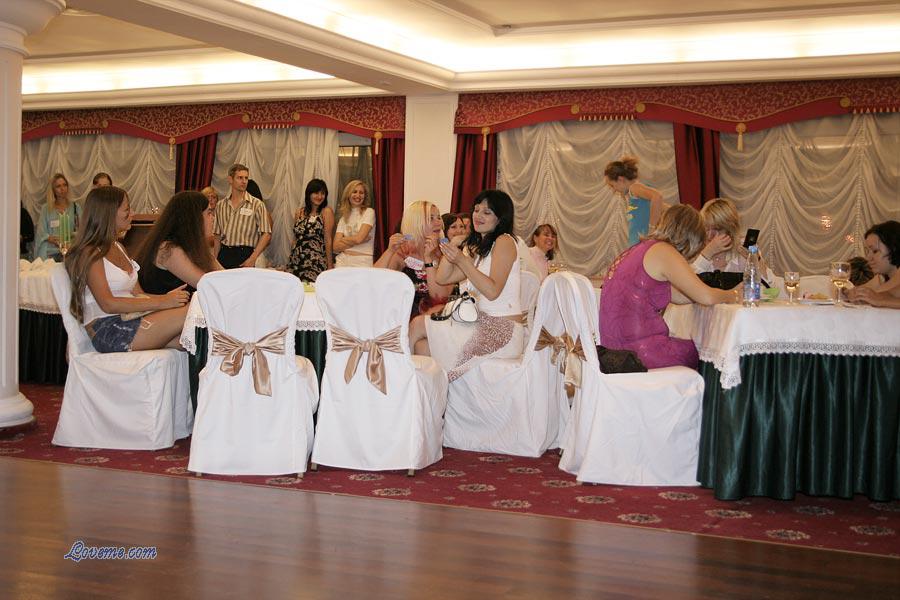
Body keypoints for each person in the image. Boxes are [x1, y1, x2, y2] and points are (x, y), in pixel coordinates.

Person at [599, 204, 738, 370]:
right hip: (640, 352)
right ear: (692, 238)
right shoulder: (665, 251)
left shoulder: (641, 248)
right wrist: (735, 293)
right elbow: (706, 298)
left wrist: (709, 292)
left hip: (616, 350)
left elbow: (680, 297)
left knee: (701, 348)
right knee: (709, 353)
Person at [408, 190, 525, 381]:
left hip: (502, 329)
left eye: (487, 212)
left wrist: (462, 260)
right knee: (422, 347)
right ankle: (424, 394)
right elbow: (443, 278)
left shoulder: (504, 241)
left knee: (418, 324)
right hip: (479, 323)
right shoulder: (480, 247)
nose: (478, 216)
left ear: (500, 218)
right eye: (476, 210)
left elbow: (493, 291)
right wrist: (454, 244)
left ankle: (403, 384)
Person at [64, 186, 190, 353]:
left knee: (191, 339)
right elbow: (108, 304)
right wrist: (163, 302)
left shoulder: (118, 247)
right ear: (109, 214)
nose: (132, 213)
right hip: (108, 329)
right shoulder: (90, 252)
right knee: (193, 311)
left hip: (131, 319)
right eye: (127, 209)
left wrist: (167, 298)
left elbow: (138, 294)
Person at [135, 191, 222, 294]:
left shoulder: (193, 247)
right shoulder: (168, 249)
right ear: (194, 219)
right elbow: (206, 285)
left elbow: (223, 276)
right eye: (209, 213)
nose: (213, 218)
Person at [376, 201, 452, 318]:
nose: (439, 222)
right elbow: (374, 279)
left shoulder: (445, 253)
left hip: (435, 318)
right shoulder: (403, 253)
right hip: (402, 318)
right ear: (416, 223)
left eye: (438, 217)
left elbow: (440, 297)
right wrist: (389, 251)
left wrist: (428, 259)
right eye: (431, 218)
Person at [692, 198, 773, 283]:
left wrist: (755, 260)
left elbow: (768, 283)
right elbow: (688, 284)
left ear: (731, 230)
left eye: (717, 229)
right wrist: (707, 253)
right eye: (706, 228)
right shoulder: (697, 249)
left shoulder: (743, 249)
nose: (710, 235)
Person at [214, 164, 272, 269]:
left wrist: (253, 258)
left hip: (245, 253)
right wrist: (215, 259)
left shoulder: (257, 204)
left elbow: (266, 234)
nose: (244, 181)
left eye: (246, 178)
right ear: (230, 180)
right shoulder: (220, 205)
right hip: (224, 253)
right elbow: (217, 236)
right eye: (240, 178)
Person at [604, 156, 664, 246]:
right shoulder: (635, 195)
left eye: (613, 185)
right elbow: (664, 208)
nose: (614, 189)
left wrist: (652, 230)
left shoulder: (634, 188)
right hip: (639, 245)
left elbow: (657, 196)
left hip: (644, 244)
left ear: (620, 179)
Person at [287, 178, 335, 282]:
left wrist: (330, 265)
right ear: (309, 194)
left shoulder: (326, 212)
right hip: (296, 259)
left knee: (311, 290)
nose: (320, 196)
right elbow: (295, 238)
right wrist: (290, 259)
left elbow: (328, 239)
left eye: (323, 193)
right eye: (316, 193)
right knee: (295, 288)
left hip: (315, 261)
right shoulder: (299, 212)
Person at [847, 220, 900, 306]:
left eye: (875, 251)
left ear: (894, 248)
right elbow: (861, 292)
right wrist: (847, 293)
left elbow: (885, 294)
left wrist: (881, 300)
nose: (868, 258)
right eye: (868, 251)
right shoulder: (882, 277)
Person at [35, 173, 81, 261]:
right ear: (53, 190)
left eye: (64, 185)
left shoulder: (76, 207)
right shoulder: (46, 209)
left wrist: (71, 236)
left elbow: (82, 230)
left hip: (69, 250)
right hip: (50, 251)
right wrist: (50, 238)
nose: (62, 189)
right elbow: (41, 231)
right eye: (58, 186)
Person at [333, 179, 376, 267]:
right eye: (354, 192)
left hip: (363, 262)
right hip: (342, 261)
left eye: (361, 193)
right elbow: (336, 247)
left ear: (365, 196)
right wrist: (357, 239)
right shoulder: (343, 218)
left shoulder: (369, 212)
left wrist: (343, 239)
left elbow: (359, 239)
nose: (358, 195)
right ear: (348, 194)